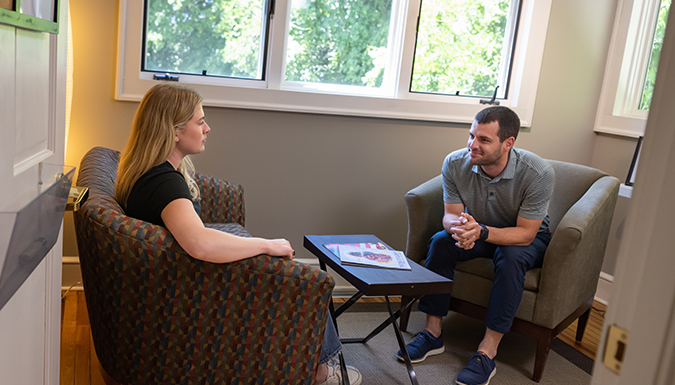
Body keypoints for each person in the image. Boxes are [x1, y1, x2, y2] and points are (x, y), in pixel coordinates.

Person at [115, 83, 361, 385]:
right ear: (175, 130)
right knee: (302, 279)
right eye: (199, 121)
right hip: (191, 291)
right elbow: (200, 244)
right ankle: (320, 373)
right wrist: (265, 245)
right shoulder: (164, 182)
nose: (207, 128)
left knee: (293, 272)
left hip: (173, 282)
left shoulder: (147, 173)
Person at [398, 106, 554, 385]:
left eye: (484, 140)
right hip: (477, 229)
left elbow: (526, 234)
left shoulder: (537, 172)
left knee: (511, 256)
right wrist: (462, 229)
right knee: (441, 241)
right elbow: (450, 215)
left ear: (508, 143)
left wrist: (481, 231)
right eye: (471, 136)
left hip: (523, 238)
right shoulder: (455, 162)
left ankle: (487, 351)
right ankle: (433, 334)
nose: (473, 145)